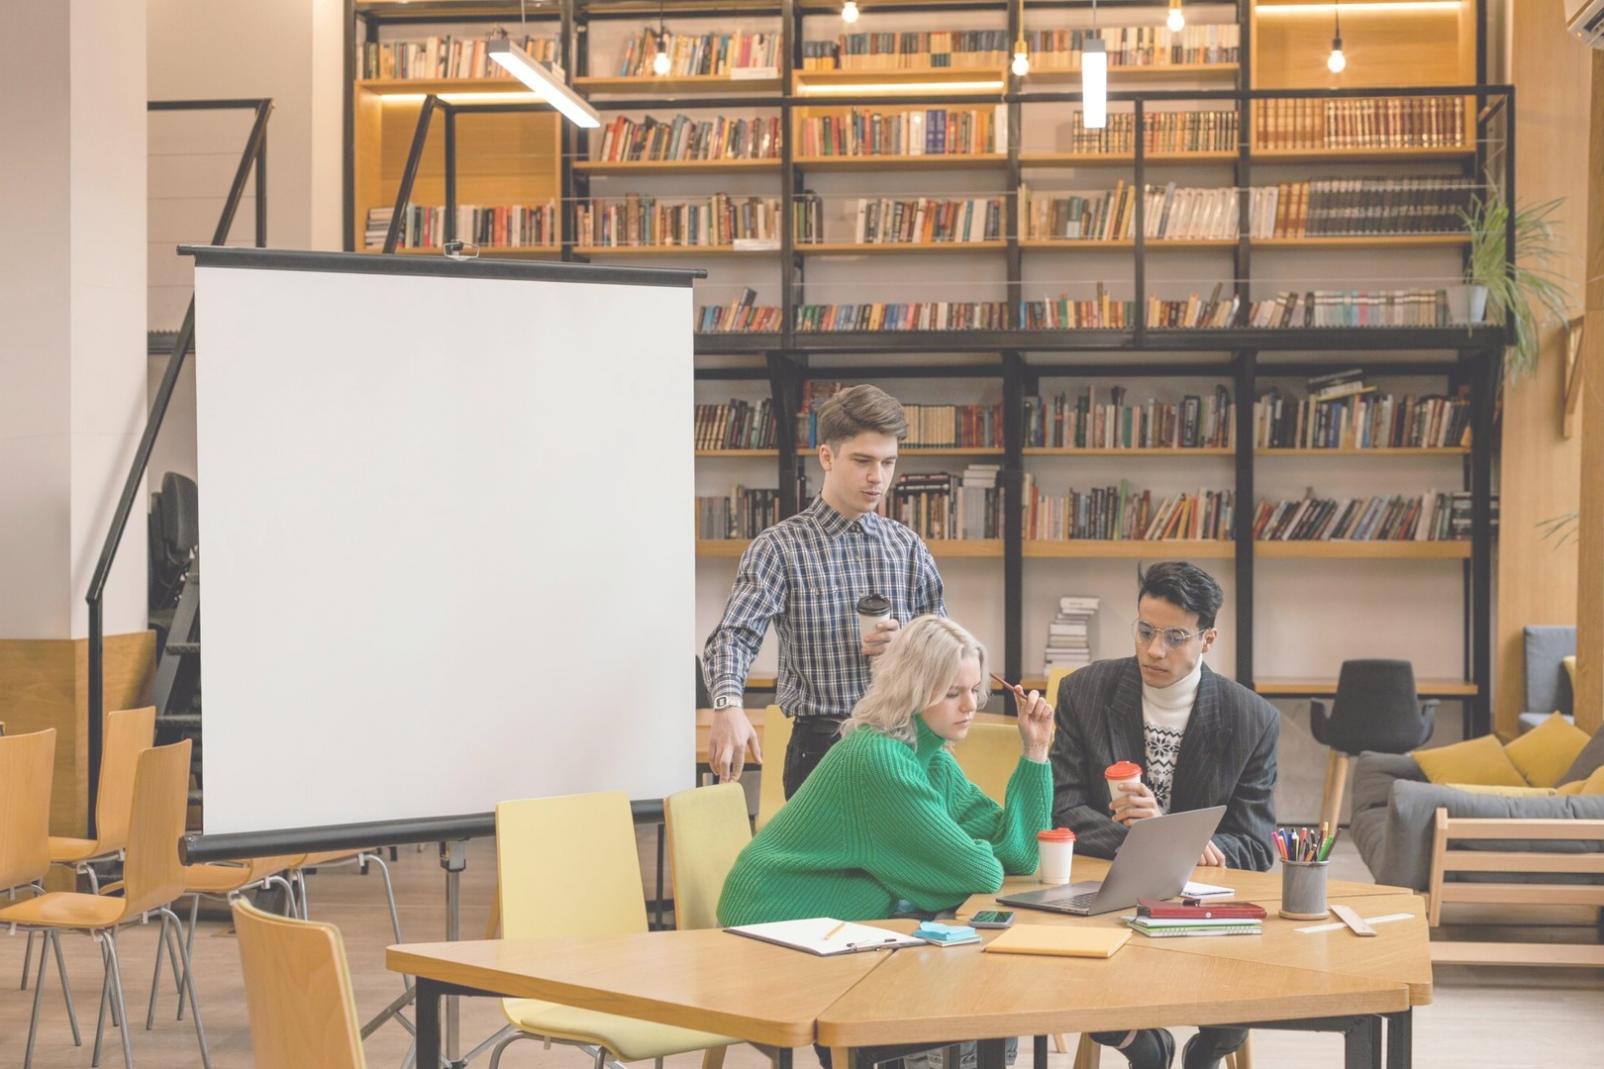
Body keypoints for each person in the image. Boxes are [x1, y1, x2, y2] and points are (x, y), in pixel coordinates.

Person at [1049, 561, 1277, 1069]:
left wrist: (1177, 842)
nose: (1155, 650)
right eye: (1146, 631)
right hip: (1107, 885)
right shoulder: (1085, 691)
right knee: (1065, 959)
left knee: (1250, 966)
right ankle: (1140, 1044)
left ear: (1208, 638)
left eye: (1175, 637)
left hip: (1205, 896)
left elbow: (1258, 846)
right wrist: (1147, 842)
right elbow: (1061, 807)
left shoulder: (1251, 718)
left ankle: (1210, 1048)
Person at [717, 614, 1054, 928]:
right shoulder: (880, 760)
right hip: (771, 919)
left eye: (974, 690)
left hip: (833, 925)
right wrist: (960, 853)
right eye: (952, 693)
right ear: (914, 689)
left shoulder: (932, 758)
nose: (969, 705)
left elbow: (1021, 855)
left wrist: (1035, 750)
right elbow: (981, 872)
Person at [702, 385, 946, 797]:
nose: (878, 477)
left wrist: (908, 645)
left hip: (904, 742)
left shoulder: (907, 547)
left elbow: (945, 647)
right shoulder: (779, 547)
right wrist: (728, 707)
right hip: (822, 748)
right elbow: (733, 636)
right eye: (863, 460)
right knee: (826, 866)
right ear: (827, 457)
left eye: (888, 463)